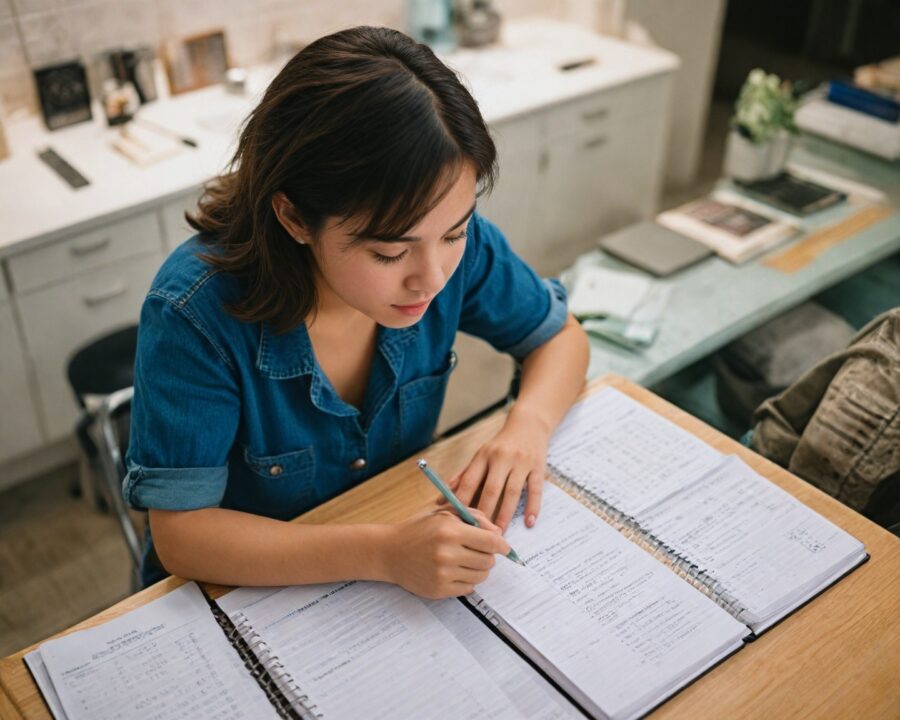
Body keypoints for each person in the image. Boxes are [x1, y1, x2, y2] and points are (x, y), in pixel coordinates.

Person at [124, 26, 589, 597]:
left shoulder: (446, 250)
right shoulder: (195, 312)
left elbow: (560, 337)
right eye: (389, 251)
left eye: (454, 233)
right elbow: (183, 537)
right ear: (295, 218)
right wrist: (385, 553)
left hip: (390, 544)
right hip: (241, 591)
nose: (433, 277)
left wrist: (529, 426)